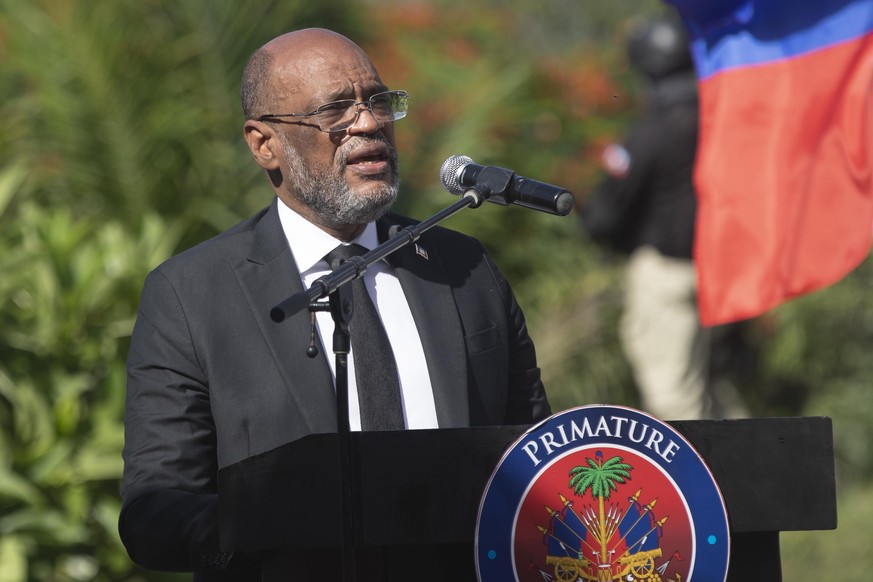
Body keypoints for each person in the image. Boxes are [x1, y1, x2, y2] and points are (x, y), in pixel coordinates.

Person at [118, 28, 550, 581]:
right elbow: (155, 508)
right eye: (333, 110)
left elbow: (536, 456)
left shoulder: (463, 269)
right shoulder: (191, 294)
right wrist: (260, 529)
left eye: (377, 101)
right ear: (263, 144)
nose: (368, 124)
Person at [581, 15, 745, 421]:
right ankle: (753, 476)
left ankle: (701, 484)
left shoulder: (651, 132)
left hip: (668, 274)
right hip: (727, 275)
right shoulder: (724, 124)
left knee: (674, 398)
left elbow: (604, 213)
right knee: (712, 387)